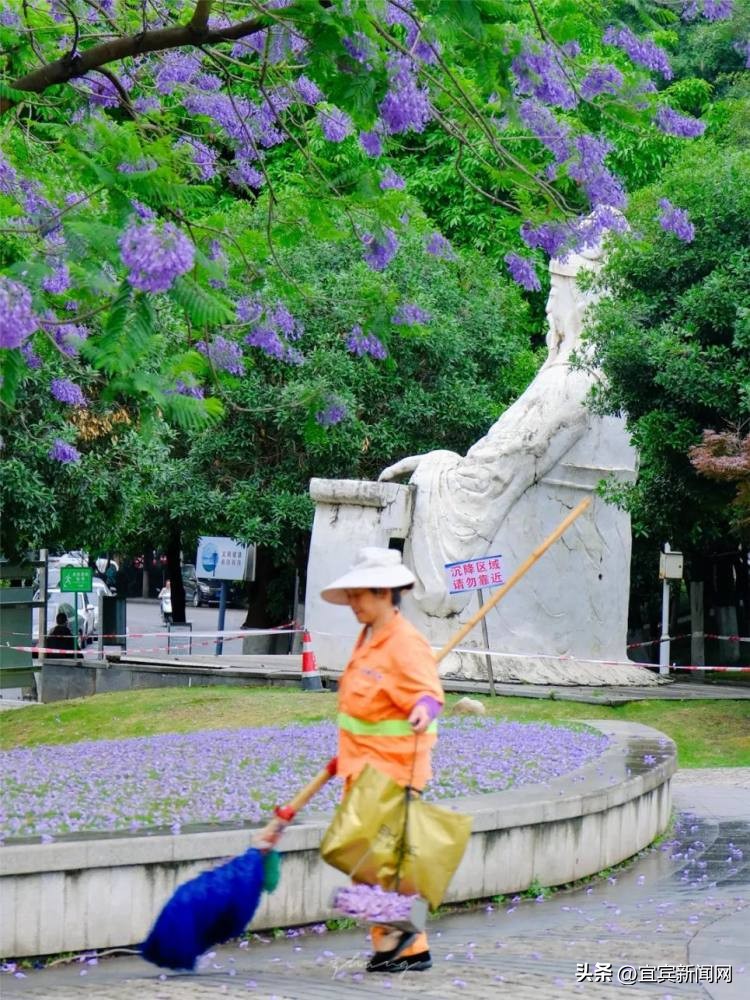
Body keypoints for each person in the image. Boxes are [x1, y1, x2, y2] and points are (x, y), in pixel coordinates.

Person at [321, 547, 444, 974]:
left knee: (373, 865)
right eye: (351, 595)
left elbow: (430, 694)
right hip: (360, 768)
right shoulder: (369, 636)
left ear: (384, 592)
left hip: (392, 773)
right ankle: (405, 949)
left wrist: (424, 709)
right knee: (368, 865)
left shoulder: (405, 642)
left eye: (360, 595)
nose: (353, 603)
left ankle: (401, 942)